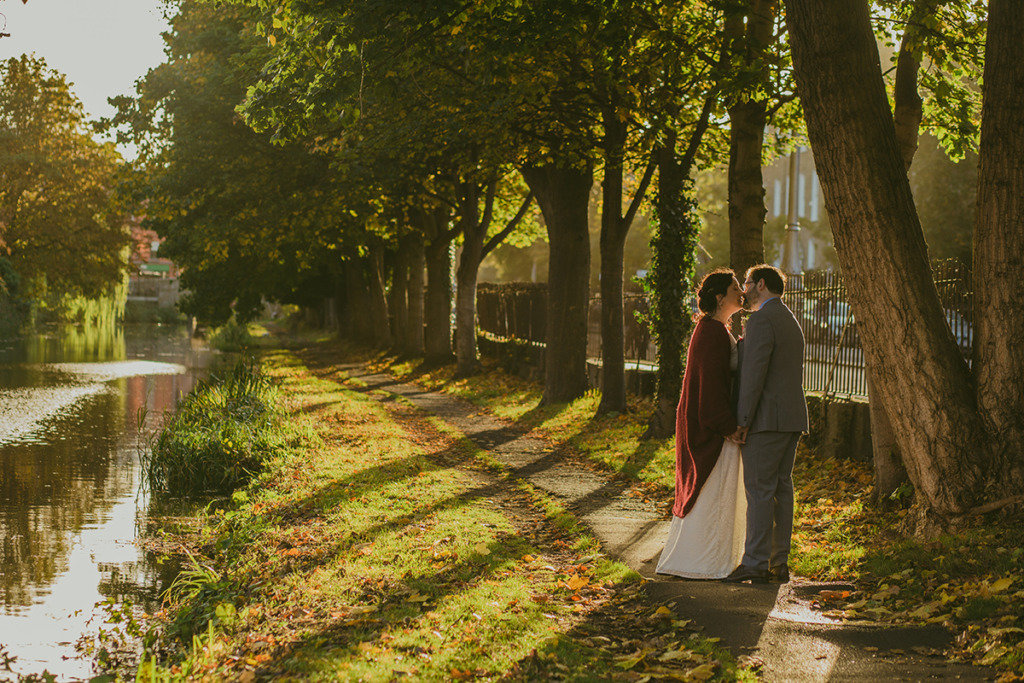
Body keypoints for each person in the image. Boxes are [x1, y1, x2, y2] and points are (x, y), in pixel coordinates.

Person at [657, 269, 748, 579]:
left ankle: (706, 559)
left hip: (710, 420)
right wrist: (727, 426)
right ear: (720, 296)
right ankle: (704, 562)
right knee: (713, 491)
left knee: (716, 491)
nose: (741, 291)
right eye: (735, 287)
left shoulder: (715, 328)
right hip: (711, 424)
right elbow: (709, 386)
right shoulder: (710, 331)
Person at [724, 265, 809, 584]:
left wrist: (743, 419)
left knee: (759, 492)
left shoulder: (760, 319)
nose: (743, 290)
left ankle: (755, 563)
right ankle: (778, 563)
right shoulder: (789, 319)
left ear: (761, 284)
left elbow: (753, 375)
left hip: (765, 421)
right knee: (781, 490)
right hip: (791, 419)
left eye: (746, 283)